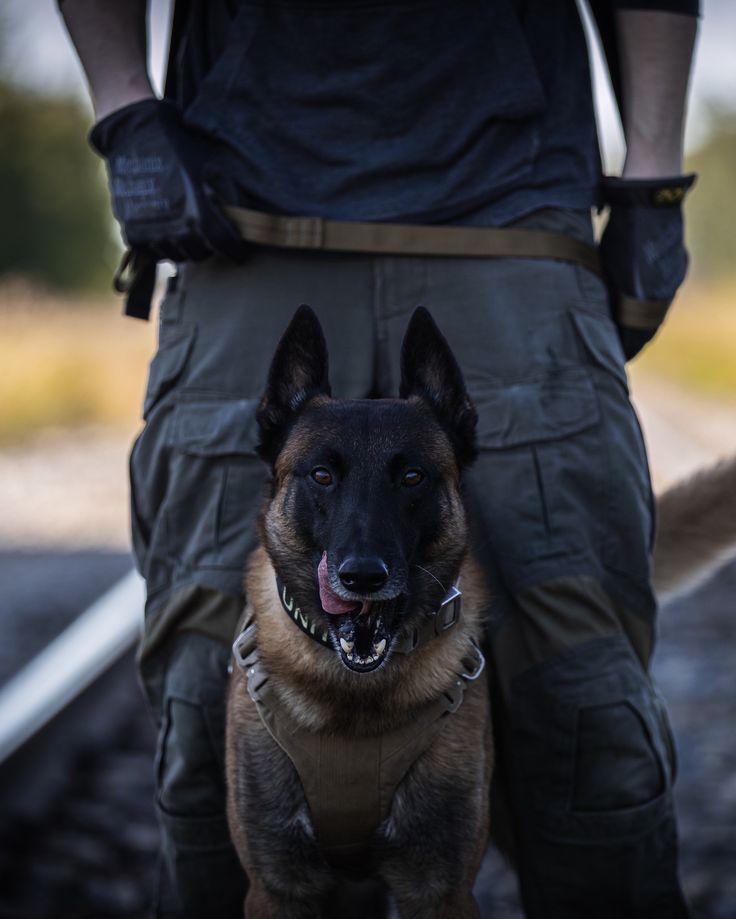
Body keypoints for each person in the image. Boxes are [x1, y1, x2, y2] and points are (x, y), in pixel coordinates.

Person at [59, 1, 699, 916]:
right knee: (208, 721)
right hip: (241, 223)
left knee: (589, 720)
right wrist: (123, 109)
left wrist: (653, 176)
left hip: (509, 224)